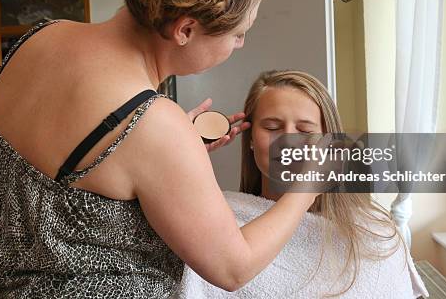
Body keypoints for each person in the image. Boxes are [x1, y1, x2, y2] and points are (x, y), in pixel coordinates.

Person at [0, 0, 322, 299]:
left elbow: (53, 186)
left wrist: (167, 163)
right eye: (238, 33)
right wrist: (305, 188)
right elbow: (233, 267)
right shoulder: (151, 125)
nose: (239, 44)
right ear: (186, 30)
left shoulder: (40, 38)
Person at [174, 70, 429, 298]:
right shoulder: (214, 223)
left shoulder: (376, 237)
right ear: (250, 139)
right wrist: (174, 149)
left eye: (305, 131)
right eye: (272, 127)